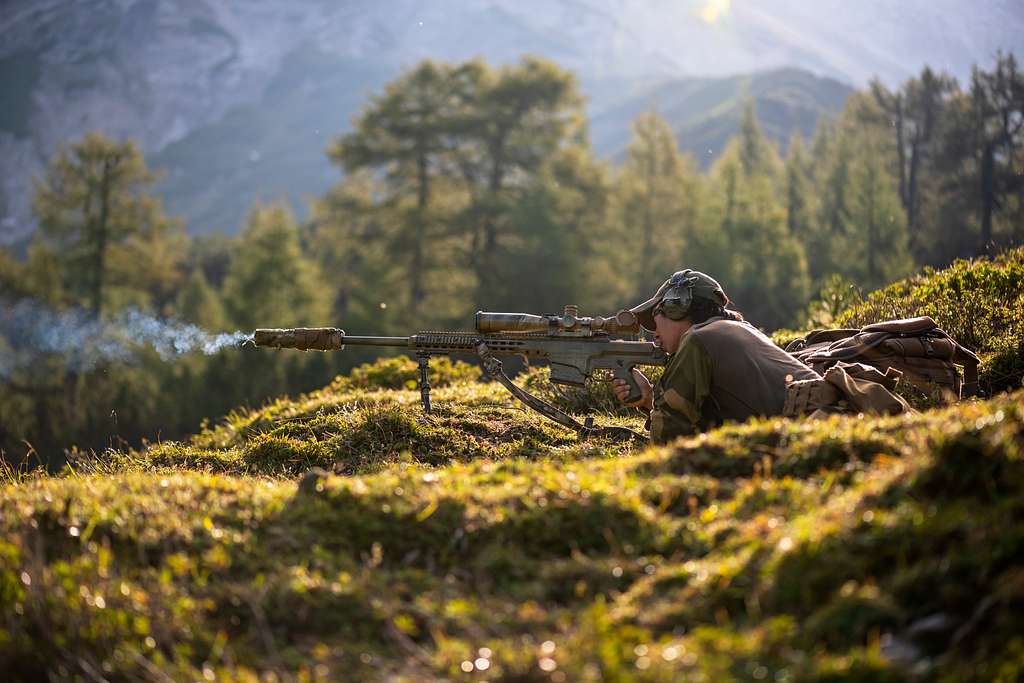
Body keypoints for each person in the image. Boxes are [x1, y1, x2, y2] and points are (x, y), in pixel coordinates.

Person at [613, 269, 820, 443]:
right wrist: (649, 399)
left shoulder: (698, 339)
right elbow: (713, 422)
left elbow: (669, 437)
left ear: (677, 308)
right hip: (821, 421)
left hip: (812, 428)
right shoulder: (735, 330)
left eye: (655, 319)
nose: (655, 334)